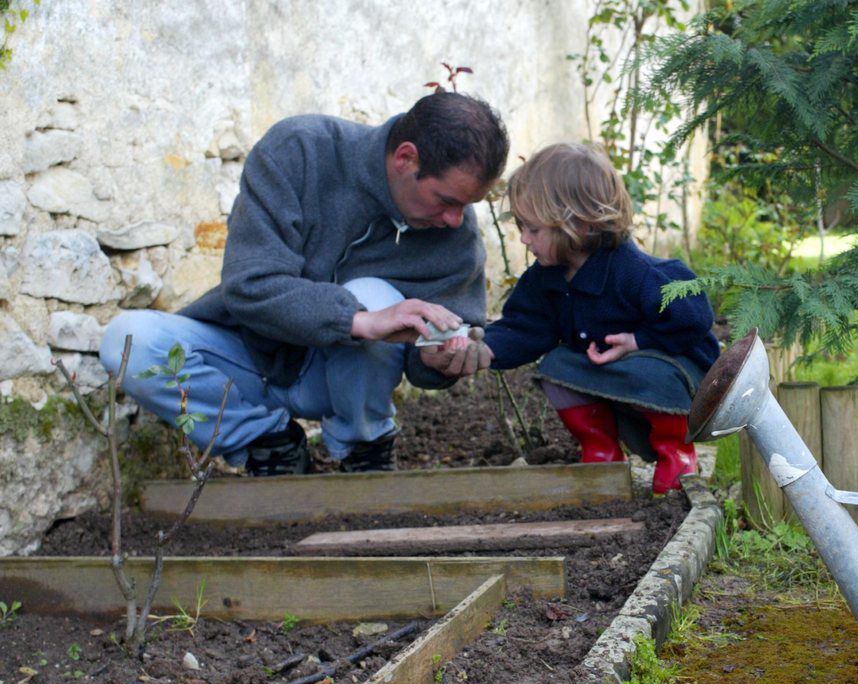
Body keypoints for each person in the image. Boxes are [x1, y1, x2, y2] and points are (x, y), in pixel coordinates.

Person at [100, 92, 506, 475]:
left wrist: (437, 357)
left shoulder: (455, 231)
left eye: (465, 206)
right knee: (127, 342)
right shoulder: (300, 150)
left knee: (374, 294)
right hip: (249, 359)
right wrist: (362, 320)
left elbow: (445, 339)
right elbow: (248, 284)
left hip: (338, 383)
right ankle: (268, 441)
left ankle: (364, 446)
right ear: (405, 158)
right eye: (447, 200)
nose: (455, 219)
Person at [476, 142, 720, 494]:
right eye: (520, 226)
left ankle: (677, 455)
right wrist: (484, 348)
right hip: (614, 379)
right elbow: (526, 328)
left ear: (580, 223)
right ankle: (601, 449)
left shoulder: (637, 273)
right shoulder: (547, 278)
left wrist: (639, 341)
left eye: (533, 229)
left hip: (677, 382)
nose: (524, 238)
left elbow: (694, 316)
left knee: (653, 372)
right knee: (558, 365)